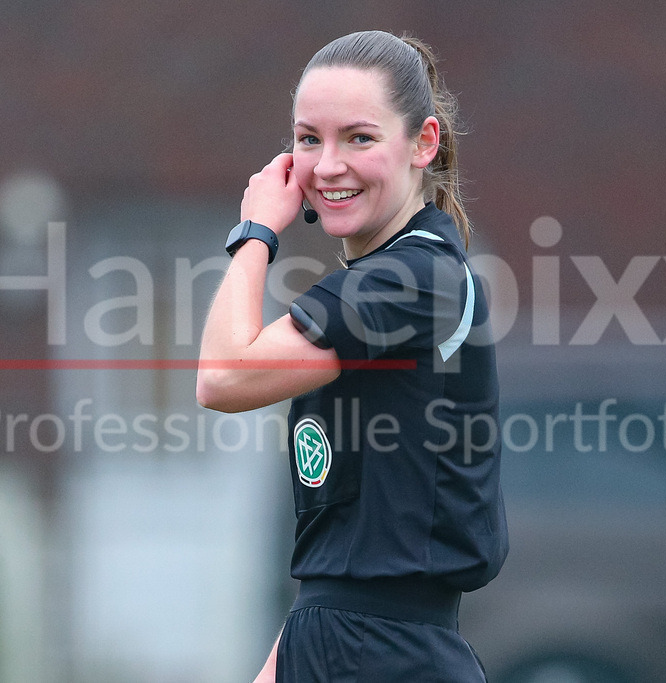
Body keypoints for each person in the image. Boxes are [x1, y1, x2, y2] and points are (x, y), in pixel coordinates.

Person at [197, 30, 508, 683]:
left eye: (359, 138)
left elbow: (223, 377)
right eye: (309, 139)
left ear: (423, 143)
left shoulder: (413, 278)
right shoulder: (387, 282)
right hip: (340, 639)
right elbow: (339, 570)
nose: (328, 165)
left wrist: (256, 232)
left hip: (385, 656)